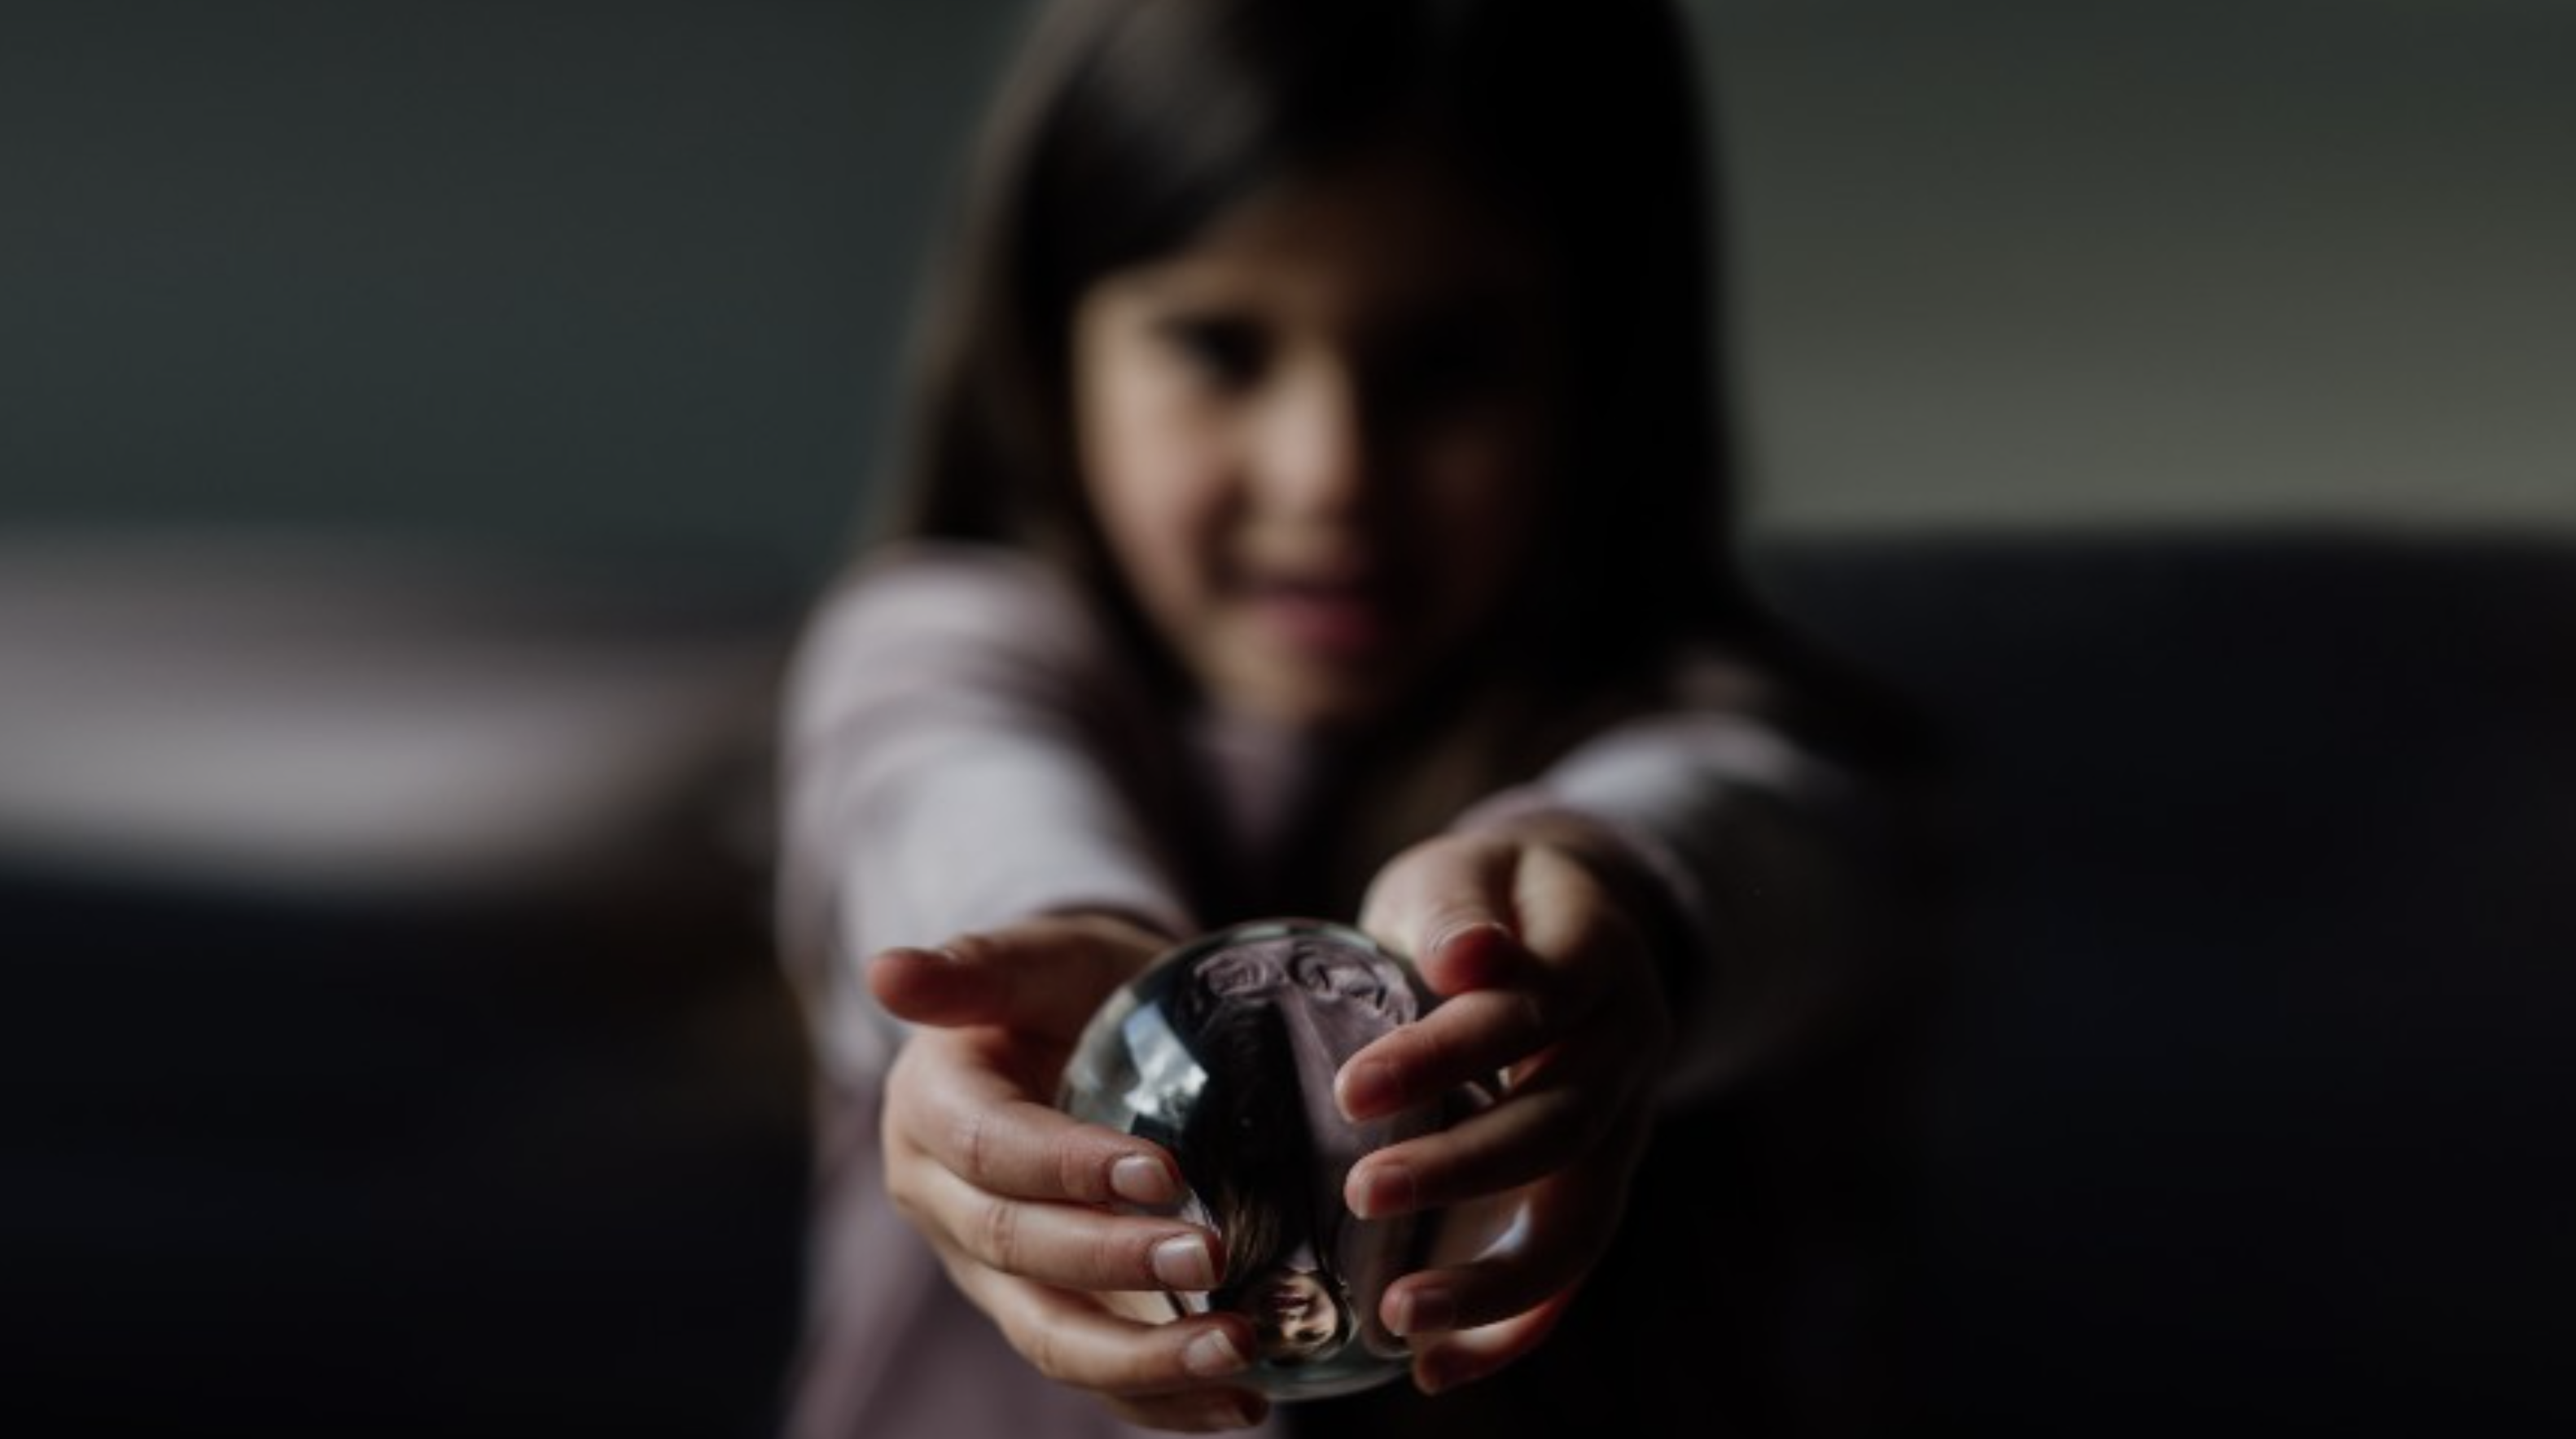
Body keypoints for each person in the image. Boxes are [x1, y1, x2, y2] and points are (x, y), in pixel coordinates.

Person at [773, 0, 1908, 1433]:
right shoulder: (943, 642)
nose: (1330, 476)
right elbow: (936, 780)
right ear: (1048, 355)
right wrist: (1037, 933)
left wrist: (1615, 904)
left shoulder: (1707, 740)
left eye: (1447, 363)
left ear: (1605, 370)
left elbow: (1763, 842)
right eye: (1221, 349)